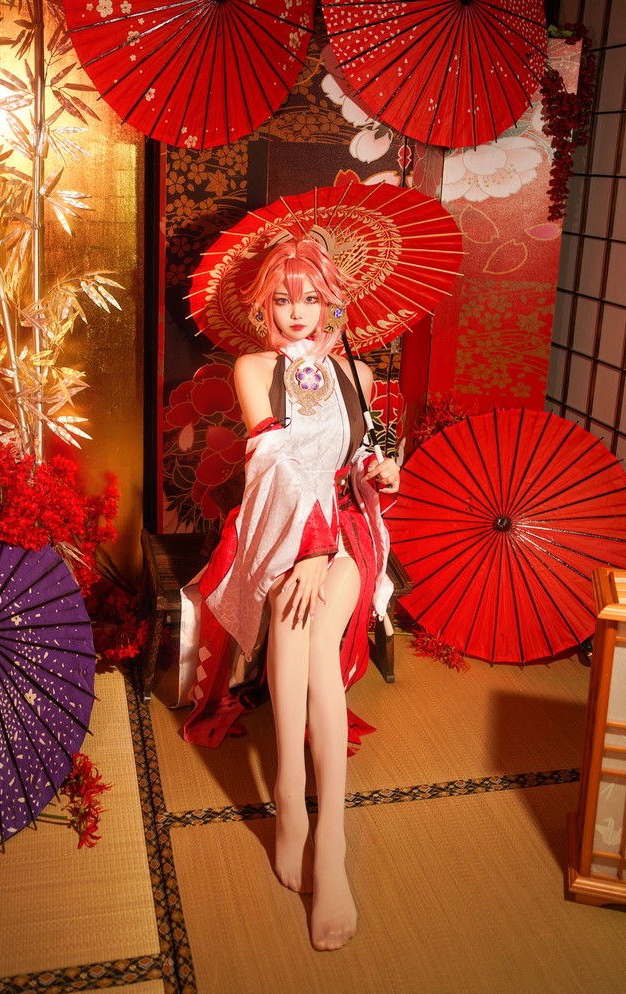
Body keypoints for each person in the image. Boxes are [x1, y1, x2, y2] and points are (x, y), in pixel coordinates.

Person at [178, 236, 400, 951]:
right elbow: (272, 462)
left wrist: (382, 470)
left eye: (311, 298)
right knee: (292, 610)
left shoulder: (358, 373)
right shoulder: (254, 369)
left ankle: (321, 831)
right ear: (264, 306)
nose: (297, 312)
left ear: (333, 301)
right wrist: (308, 549)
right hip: (279, 528)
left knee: (316, 623)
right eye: (282, 298)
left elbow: (361, 459)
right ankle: (296, 806)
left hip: (349, 529)